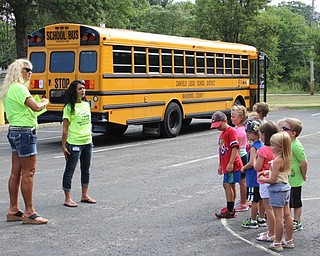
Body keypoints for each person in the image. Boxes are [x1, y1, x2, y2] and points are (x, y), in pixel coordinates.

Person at [0, 59, 49, 224]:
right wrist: (44, 102)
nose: (30, 73)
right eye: (27, 69)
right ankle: (29, 212)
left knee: (16, 172)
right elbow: (35, 107)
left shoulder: (8, 90)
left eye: (31, 70)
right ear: (18, 71)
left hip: (14, 130)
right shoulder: (20, 89)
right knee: (29, 172)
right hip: (25, 131)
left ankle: (13, 209)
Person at [62, 80, 96, 207]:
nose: (83, 91)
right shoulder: (69, 108)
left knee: (86, 169)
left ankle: (84, 195)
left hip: (87, 142)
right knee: (70, 170)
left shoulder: (86, 105)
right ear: (74, 91)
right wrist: (63, 145)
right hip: (75, 143)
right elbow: (65, 128)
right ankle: (67, 198)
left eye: (84, 88)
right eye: (80, 89)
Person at [258, 132, 294, 251]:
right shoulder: (286, 157)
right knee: (287, 215)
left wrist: (263, 178)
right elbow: (280, 173)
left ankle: (277, 242)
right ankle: (289, 240)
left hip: (277, 189)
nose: (271, 147)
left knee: (279, 217)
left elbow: (273, 180)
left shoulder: (278, 160)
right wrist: (268, 172)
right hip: (285, 187)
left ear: (281, 147)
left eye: (273, 145)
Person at [211, 111, 243, 218]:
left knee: (227, 185)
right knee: (230, 185)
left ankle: (230, 210)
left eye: (219, 125)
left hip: (233, 165)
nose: (217, 128)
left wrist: (230, 163)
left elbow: (235, 148)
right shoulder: (222, 134)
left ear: (225, 121)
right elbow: (222, 151)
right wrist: (221, 165)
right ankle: (231, 206)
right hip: (226, 165)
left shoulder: (231, 132)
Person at [279, 118, 307, 231]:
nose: (281, 130)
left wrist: (303, 175)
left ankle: (297, 220)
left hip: (295, 179)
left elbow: (303, 162)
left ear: (293, 133)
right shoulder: (287, 142)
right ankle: (288, 219)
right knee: (288, 201)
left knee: (296, 201)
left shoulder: (296, 145)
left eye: (285, 129)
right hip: (287, 178)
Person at [254, 121, 279, 242]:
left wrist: (254, 159)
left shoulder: (263, 150)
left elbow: (257, 167)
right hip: (275, 179)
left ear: (264, 135)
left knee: (268, 209)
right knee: (275, 209)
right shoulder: (277, 149)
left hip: (264, 181)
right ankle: (273, 232)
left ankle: (271, 233)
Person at [241, 119, 266, 228]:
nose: (246, 134)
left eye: (249, 132)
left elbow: (251, 163)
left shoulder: (253, 147)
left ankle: (253, 220)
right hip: (260, 177)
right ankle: (261, 217)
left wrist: (243, 168)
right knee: (260, 199)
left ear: (255, 134)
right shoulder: (262, 144)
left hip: (253, 177)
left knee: (253, 200)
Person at [231, 105, 248, 212]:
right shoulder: (239, 129)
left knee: (242, 181)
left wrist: (232, 161)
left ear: (241, 118)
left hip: (240, 157)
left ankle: (243, 203)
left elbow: (237, 148)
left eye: (234, 116)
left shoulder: (239, 132)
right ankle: (243, 201)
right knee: (242, 181)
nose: (231, 118)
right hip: (242, 155)